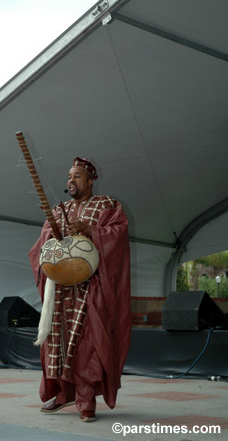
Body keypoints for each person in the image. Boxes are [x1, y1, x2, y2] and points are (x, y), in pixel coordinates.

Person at [29, 157, 131, 423]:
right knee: (57, 342)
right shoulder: (59, 209)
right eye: (68, 177)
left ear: (89, 180)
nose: (70, 181)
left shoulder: (107, 205)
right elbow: (41, 246)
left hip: (90, 289)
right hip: (60, 291)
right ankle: (63, 395)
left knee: (87, 345)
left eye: (76, 176)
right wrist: (53, 234)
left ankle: (86, 400)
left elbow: (118, 234)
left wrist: (90, 230)